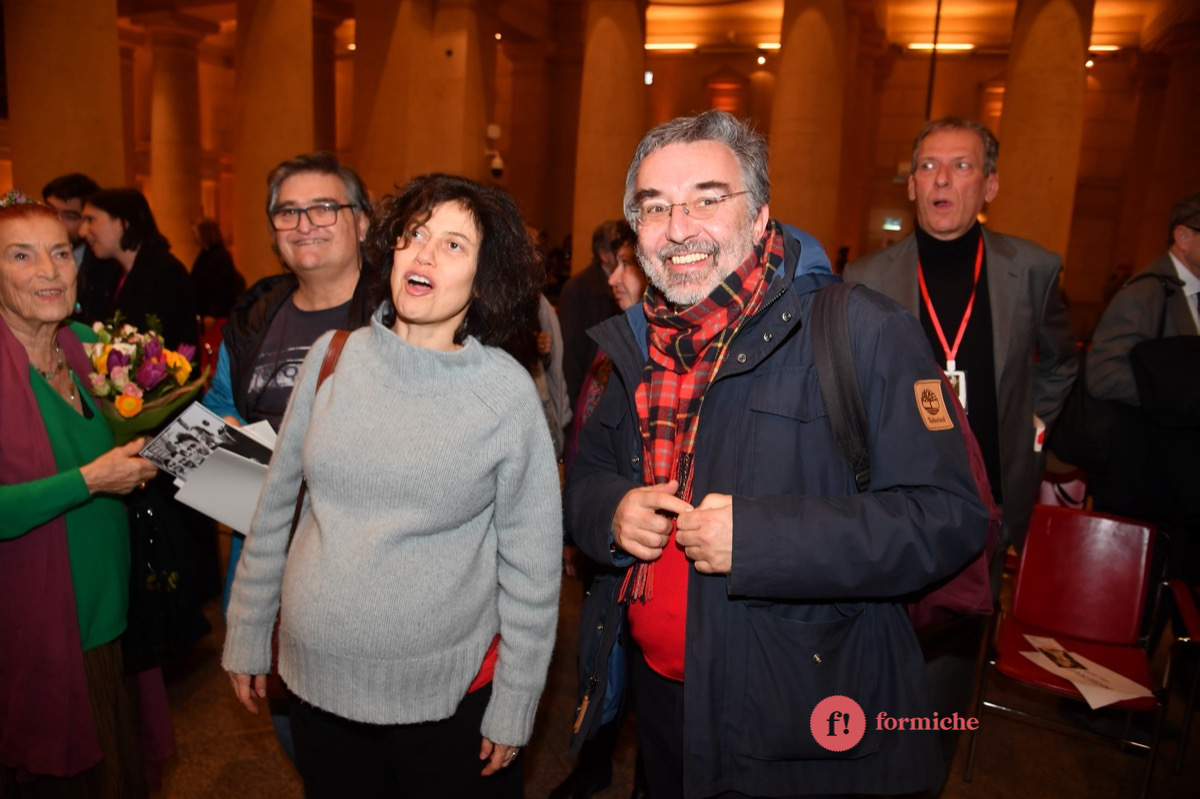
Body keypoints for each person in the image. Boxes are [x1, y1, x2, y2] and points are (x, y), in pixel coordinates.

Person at [567, 110, 989, 798]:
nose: (678, 228)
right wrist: (611, 511)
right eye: (656, 206)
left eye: (707, 199)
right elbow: (585, 475)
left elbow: (947, 518)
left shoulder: (863, 331)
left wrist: (760, 540)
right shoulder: (635, 345)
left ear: (760, 215)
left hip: (799, 714)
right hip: (660, 703)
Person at [222, 173, 562, 797]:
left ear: (484, 278)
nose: (425, 254)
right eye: (415, 234)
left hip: (448, 701)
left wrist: (517, 700)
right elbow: (274, 510)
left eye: (454, 245)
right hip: (317, 684)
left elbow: (532, 572)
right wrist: (247, 629)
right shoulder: (332, 357)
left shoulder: (505, 394)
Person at [844, 116, 1077, 785]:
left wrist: (1034, 428)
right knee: (874, 653)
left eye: (962, 166)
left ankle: (924, 774)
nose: (942, 179)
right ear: (912, 185)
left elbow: (1062, 361)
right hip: (892, 504)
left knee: (948, 665)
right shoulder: (865, 275)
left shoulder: (1033, 270)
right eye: (928, 166)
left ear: (990, 185)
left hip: (984, 509)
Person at [201, 150, 376, 759]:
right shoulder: (254, 315)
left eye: (324, 208)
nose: (305, 225)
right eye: (288, 212)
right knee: (298, 739)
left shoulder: (401, 313)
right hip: (271, 571)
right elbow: (215, 425)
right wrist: (218, 445)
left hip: (368, 574)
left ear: (361, 221)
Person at [0, 193, 159, 795]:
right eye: (21, 256)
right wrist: (89, 481)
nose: (48, 271)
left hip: (110, 613)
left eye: (60, 252)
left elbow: (139, 429)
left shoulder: (90, 346)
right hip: (34, 632)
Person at [1087, 191, 1200, 575]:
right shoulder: (1145, 293)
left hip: (1182, 481)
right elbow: (1103, 375)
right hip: (1143, 481)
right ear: (1183, 236)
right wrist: (1174, 396)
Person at [79, 188, 198, 349]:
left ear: (123, 222)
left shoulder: (165, 273)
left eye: (90, 220)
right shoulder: (112, 273)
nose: (82, 231)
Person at [41, 172, 121, 324]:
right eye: (49, 210)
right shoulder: (20, 257)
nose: (56, 220)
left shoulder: (106, 266)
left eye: (70, 216)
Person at [559, 220, 622, 408]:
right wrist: (577, 406)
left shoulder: (630, 286)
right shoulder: (577, 290)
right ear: (603, 253)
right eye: (617, 245)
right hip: (586, 401)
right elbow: (570, 357)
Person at [190, 217, 245, 331]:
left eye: (196, 233)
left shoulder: (219, 256)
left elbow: (221, 288)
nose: (194, 237)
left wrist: (212, 313)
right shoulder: (204, 255)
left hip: (215, 317)